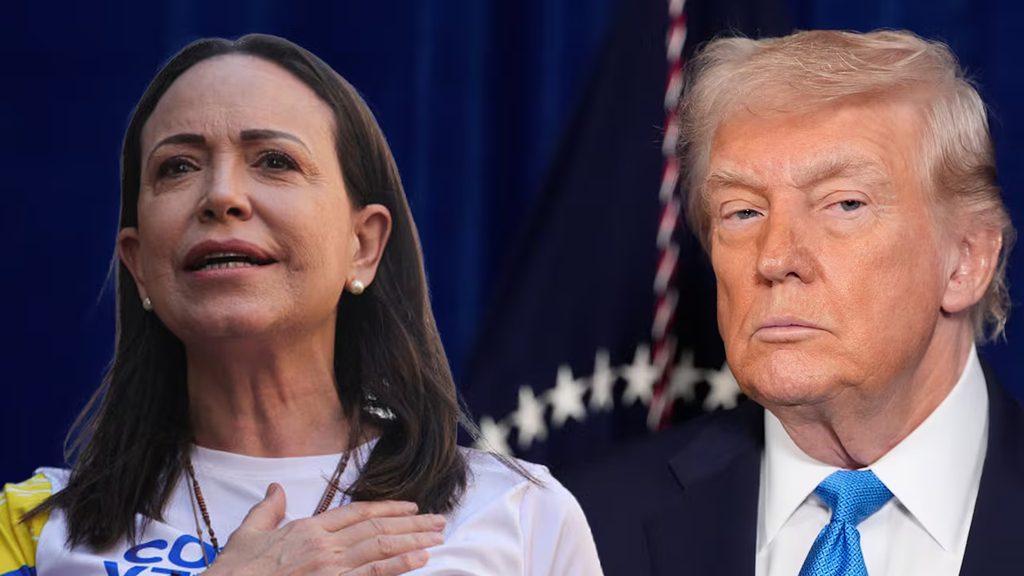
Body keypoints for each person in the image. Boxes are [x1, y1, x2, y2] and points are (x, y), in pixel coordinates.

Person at [0, 34, 602, 576]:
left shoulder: (521, 515)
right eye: (178, 166)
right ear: (138, 264)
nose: (222, 196)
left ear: (363, 246)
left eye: (275, 161)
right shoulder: (30, 526)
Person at [568, 29, 1019, 576]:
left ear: (966, 261)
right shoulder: (583, 527)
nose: (775, 258)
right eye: (743, 212)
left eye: (844, 204)